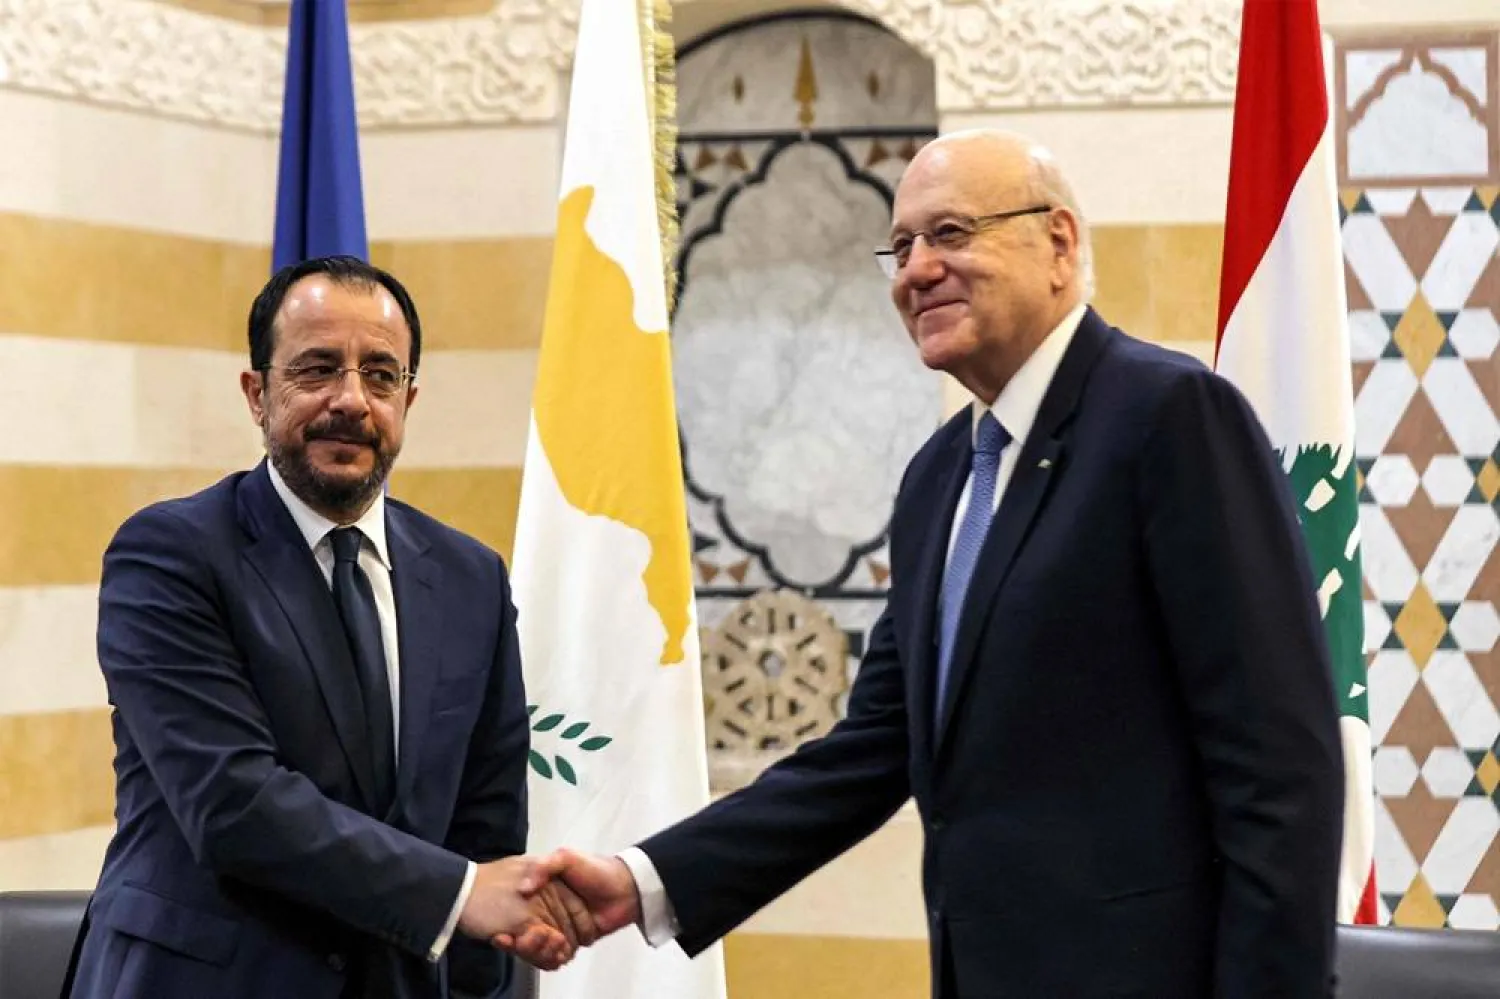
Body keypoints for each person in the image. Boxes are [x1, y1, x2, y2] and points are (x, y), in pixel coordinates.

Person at [530, 130, 1346, 998]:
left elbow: (1281, 772)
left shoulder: (1170, 419)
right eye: (903, 245)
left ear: (1059, 244)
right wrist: (646, 879)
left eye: (952, 233)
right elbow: (872, 750)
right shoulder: (939, 477)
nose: (915, 271)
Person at [69, 256, 588, 999]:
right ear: (257, 393)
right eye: (317, 369)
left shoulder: (471, 576)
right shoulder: (169, 554)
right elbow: (233, 801)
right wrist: (457, 893)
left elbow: (487, 821)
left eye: (381, 374)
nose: (351, 399)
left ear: (409, 397)